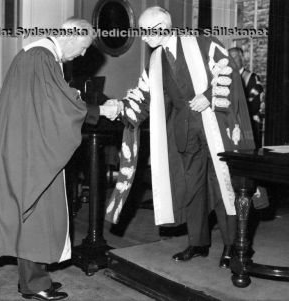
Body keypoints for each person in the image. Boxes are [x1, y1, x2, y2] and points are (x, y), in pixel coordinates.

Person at [0, 18, 120, 301]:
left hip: (28, 147)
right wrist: (100, 110)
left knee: (32, 216)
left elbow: (50, 101)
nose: (82, 54)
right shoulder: (41, 57)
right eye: (82, 47)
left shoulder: (37, 55)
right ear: (69, 35)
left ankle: (31, 281)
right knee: (37, 216)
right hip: (33, 153)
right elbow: (60, 105)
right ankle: (35, 284)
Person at [105, 7, 255, 269]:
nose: (143, 37)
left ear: (163, 26)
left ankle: (232, 244)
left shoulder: (202, 43)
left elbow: (228, 70)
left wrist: (208, 95)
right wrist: (119, 107)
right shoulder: (155, 60)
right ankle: (198, 243)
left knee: (222, 185)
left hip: (214, 127)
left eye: (146, 31)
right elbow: (144, 94)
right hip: (185, 133)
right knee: (192, 187)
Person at [228, 47, 264, 148]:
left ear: (242, 58)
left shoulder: (251, 78)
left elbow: (255, 105)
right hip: (230, 124)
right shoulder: (226, 78)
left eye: (234, 57)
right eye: (229, 58)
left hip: (247, 124)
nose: (231, 60)